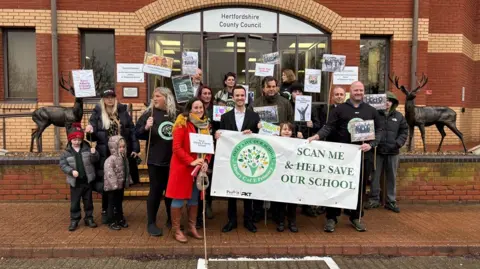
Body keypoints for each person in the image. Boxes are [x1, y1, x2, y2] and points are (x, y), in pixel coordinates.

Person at [307, 81, 383, 233]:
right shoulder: (340, 109)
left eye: (361, 90)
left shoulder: (371, 111)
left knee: (360, 186)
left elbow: (380, 130)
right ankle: (331, 217)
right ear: (351, 91)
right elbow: (329, 127)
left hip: (362, 155)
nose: (358, 93)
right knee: (335, 185)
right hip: (341, 156)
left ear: (363, 92)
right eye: (356, 90)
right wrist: (317, 136)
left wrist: (372, 144)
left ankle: (356, 217)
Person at [85, 89, 140, 226]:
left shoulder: (122, 112)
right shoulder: (97, 113)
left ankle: (117, 212)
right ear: (103, 99)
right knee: (107, 184)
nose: (110, 100)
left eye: (112, 97)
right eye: (107, 97)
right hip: (105, 154)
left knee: (120, 183)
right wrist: (89, 132)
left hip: (121, 153)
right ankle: (106, 211)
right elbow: (92, 136)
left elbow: (131, 131)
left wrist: (135, 148)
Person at [165, 98, 212, 243]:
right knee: (178, 198)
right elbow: (176, 148)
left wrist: (205, 161)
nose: (199, 110)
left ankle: (192, 227)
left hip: (198, 168)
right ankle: (176, 230)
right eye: (196, 107)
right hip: (182, 167)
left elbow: (208, 147)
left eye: (201, 107)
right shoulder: (181, 123)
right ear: (190, 109)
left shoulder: (205, 125)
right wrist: (191, 161)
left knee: (194, 198)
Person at [215, 85, 260, 233]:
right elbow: (221, 138)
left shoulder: (254, 116)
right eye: (237, 95)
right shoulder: (225, 117)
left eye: (242, 95)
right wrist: (218, 135)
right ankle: (231, 220)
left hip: (249, 159)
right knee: (231, 192)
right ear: (232, 98)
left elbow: (261, 138)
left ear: (245, 97)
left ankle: (248, 220)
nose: (240, 98)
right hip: (231, 159)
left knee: (248, 191)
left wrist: (253, 132)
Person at [135, 87, 178, 236]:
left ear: (166, 98)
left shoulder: (175, 115)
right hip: (155, 160)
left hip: (173, 160)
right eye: (154, 96)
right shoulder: (149, 114)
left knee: (171, 192)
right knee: (155, 191)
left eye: (158, 96)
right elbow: (137, 133)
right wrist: (146, 127)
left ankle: (171, 220)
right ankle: (151, 223)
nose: (155, 98)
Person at [253, 76, 294, 222]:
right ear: (263, 88)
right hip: (262, 148)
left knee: (278, 180)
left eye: (273, 86)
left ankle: (277, 212)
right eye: (268, 86)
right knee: (260, 178)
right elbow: (250, 124)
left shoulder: (285, 103)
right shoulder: (256, 103)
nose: (271, 89)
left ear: (277, 87)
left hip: (280, 147)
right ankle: (257, 211)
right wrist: (254, 126)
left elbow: (291, 122)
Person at [365, 91, 408, 213]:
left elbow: (404, 131)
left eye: (390, 101)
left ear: (393, 103)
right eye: (385, 100)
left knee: (391, 177)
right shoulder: (375, 116)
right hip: (377, 151)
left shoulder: (399, 117)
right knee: (375, 176)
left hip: (393, 152)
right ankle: (374, 199)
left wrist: (398, 143)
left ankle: (391, 201)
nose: (387, 103)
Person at [59, 123, 99, 231]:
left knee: (88, 201)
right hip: (75, 182)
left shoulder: (87, 148)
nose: (77, 142)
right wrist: (71, 171)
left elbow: (94, 160)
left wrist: (94, 154)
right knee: (75, 202)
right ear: (70, 140)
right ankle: (74, 219)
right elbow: (63, 165)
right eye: (74, 140)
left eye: (79, 140)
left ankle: (89, 218)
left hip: (86, 180)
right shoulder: (66, 152)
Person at [273, 122, 301, 233]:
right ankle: (280, 222)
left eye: (289, 130)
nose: (286, 131)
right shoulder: (275, 141)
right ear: (279, 131)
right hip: (279, 175)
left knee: (292, 201)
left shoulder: (297, 142)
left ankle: (292, 222)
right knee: (280, 201)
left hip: (292, 175)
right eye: (284, 129)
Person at [103, 135, 133, 230]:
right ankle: (111, 221)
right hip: (112, 187)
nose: (122, 149)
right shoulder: (110, 159)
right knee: (111, 203)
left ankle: (120, 218)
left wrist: (128, 180)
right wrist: (114, 184)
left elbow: (126, 170)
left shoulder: (124, 158)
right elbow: (109, 173)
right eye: (119, 147)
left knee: (119, 203)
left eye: (123, 147)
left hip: (120, 185)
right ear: (114, 147)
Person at [196, 85, 216, 227]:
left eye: (209, 93)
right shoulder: (196, 108)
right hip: (199, 146)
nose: (207, 96)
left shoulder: (216, 109)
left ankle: (208, 203)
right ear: (200, 95)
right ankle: (198, 207)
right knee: (200, 176)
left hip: (213, 146)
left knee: (210, 176)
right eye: (204, 93)